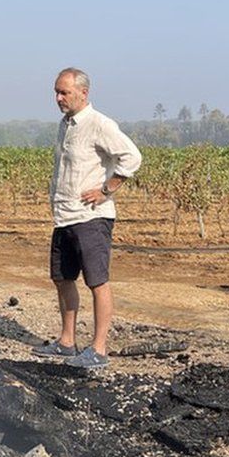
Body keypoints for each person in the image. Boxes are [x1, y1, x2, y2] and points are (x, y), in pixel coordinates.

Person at [32, 68, 142, 369]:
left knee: (97, 281)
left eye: (64, 92)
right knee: (62, 278)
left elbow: (132, 156)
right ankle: (67, 342)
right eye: (56, 92)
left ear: (84, 93)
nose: (58, 98)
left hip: (91, 217)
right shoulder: (65, 124)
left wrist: (107, 190)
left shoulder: (99, 124)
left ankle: (98, 349)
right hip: (64, 216)